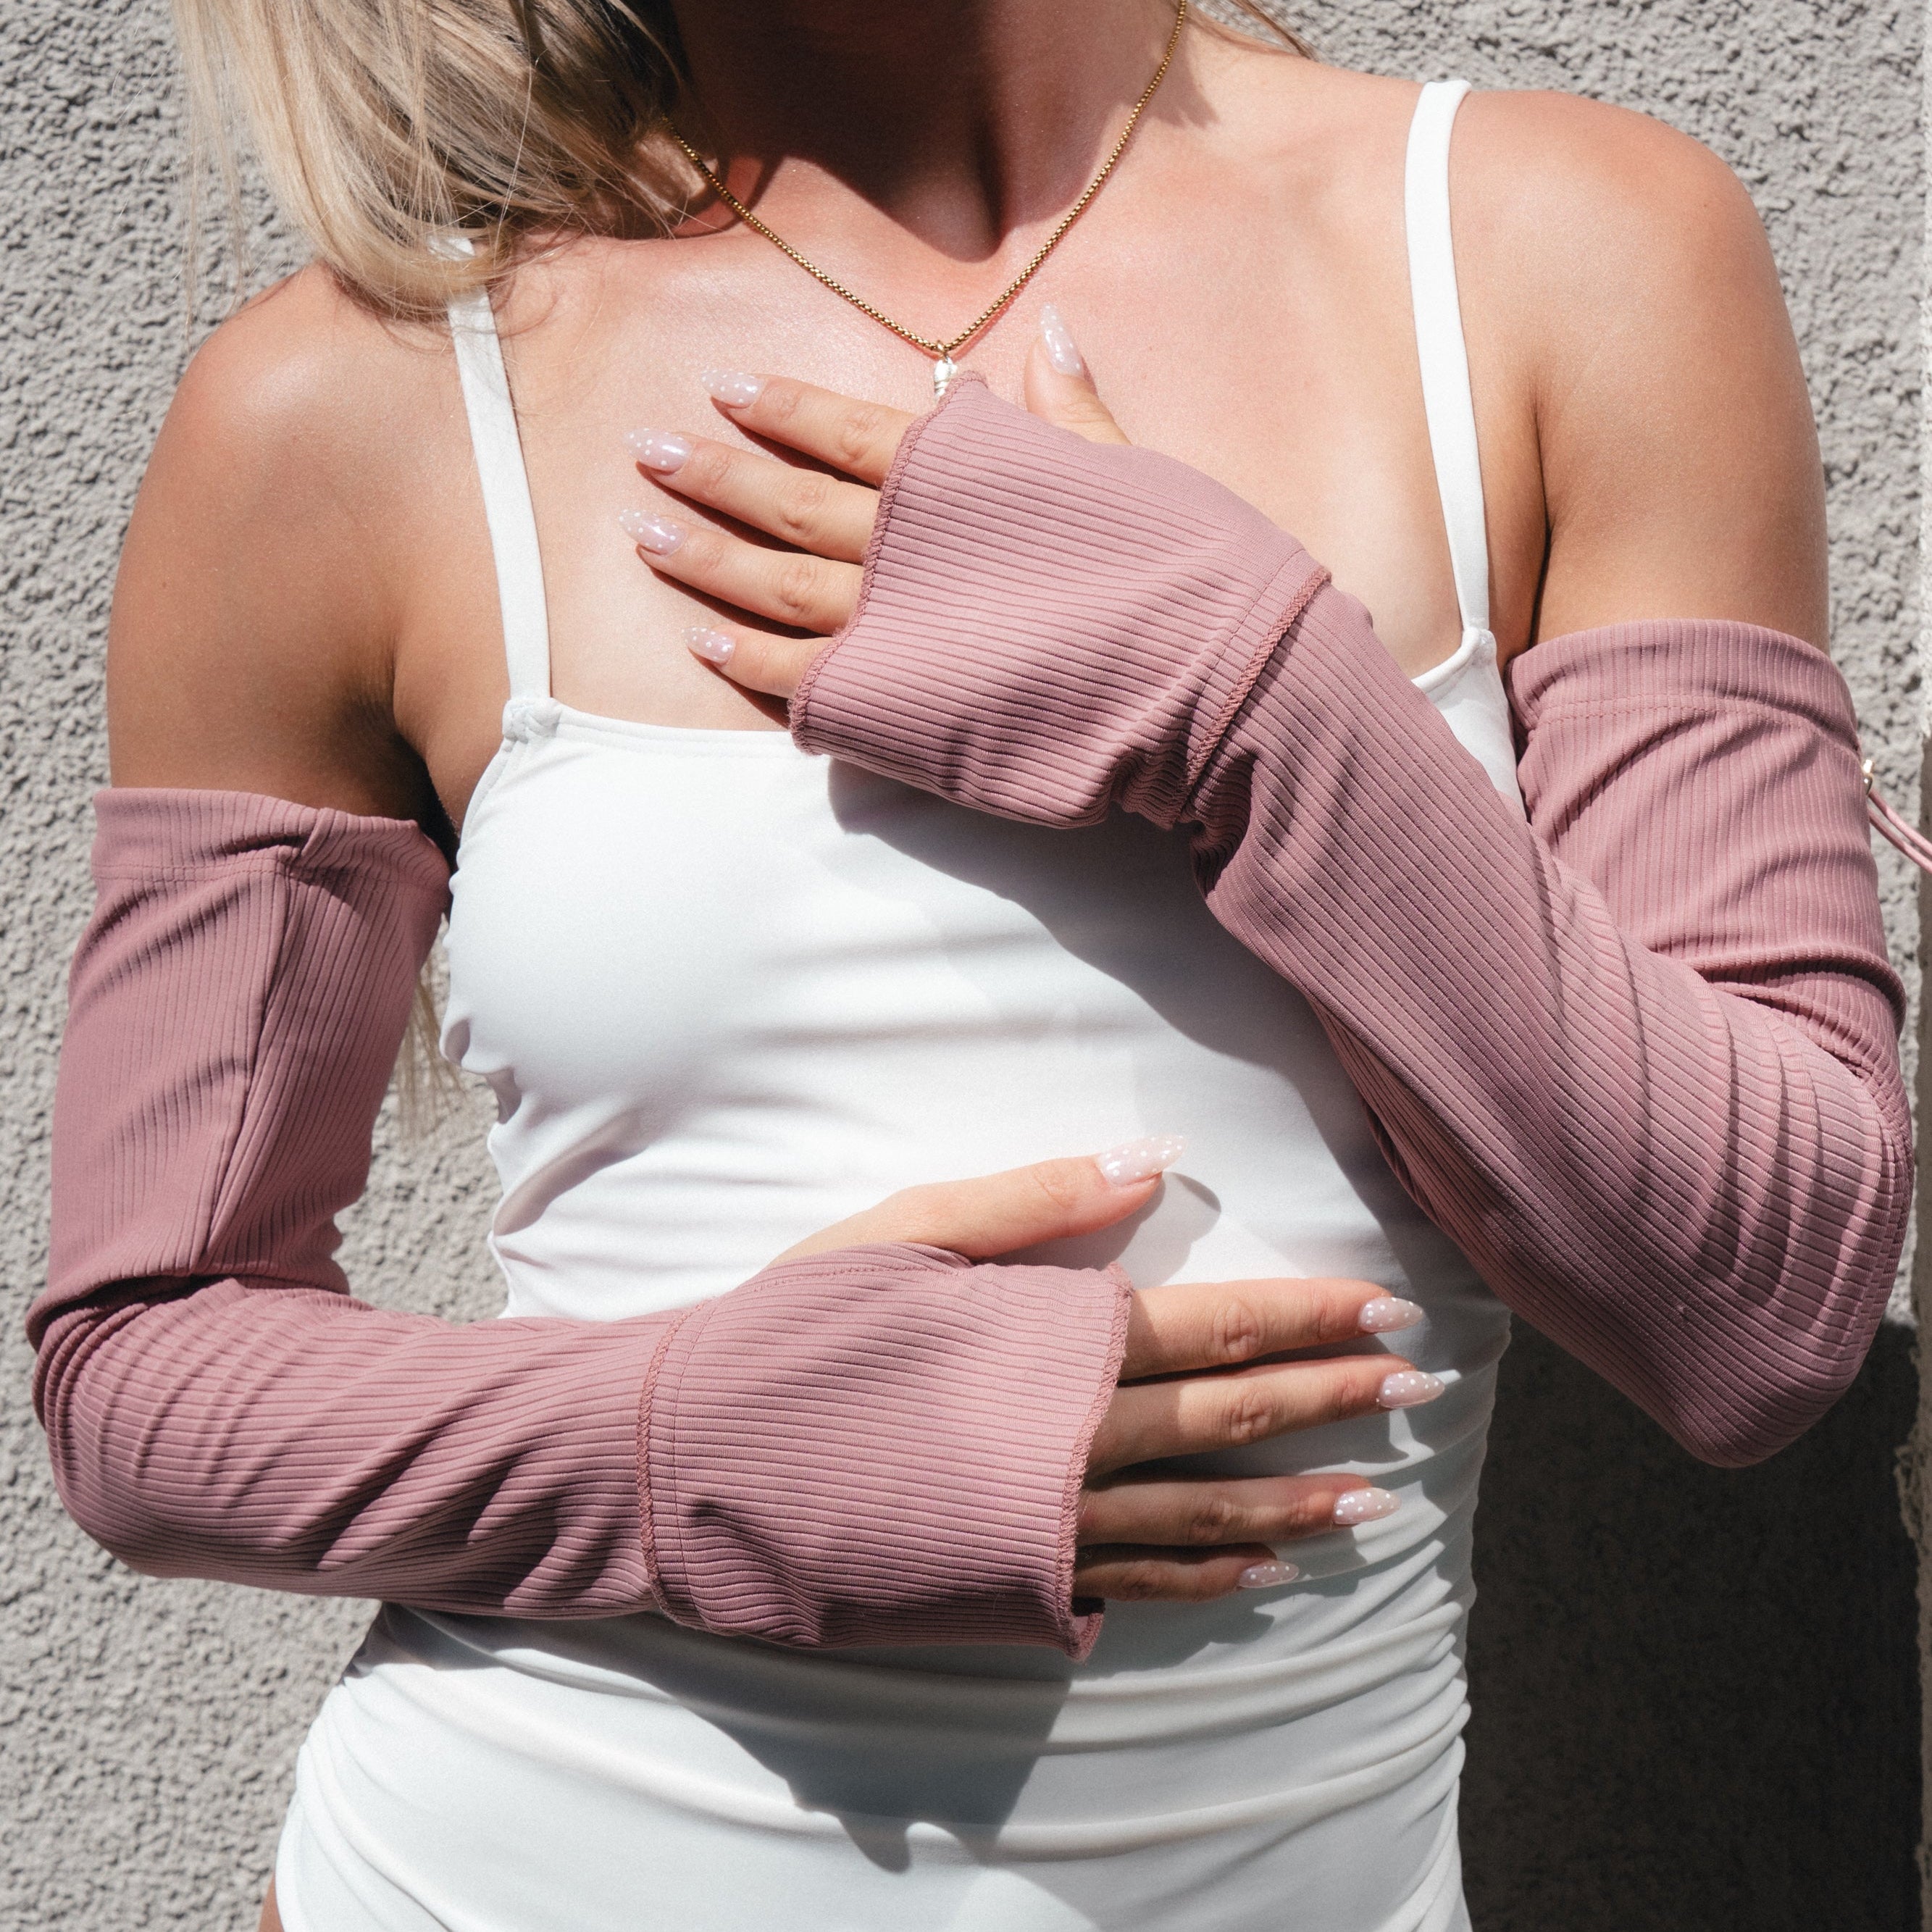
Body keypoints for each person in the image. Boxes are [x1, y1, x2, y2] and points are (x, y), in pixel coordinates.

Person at [30, 2, 1910, 1928]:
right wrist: (685, 1450)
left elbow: (1753, 1306)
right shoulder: (347, 409)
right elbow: (144, 1370)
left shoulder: (1548, 253)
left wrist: (1255, 698)